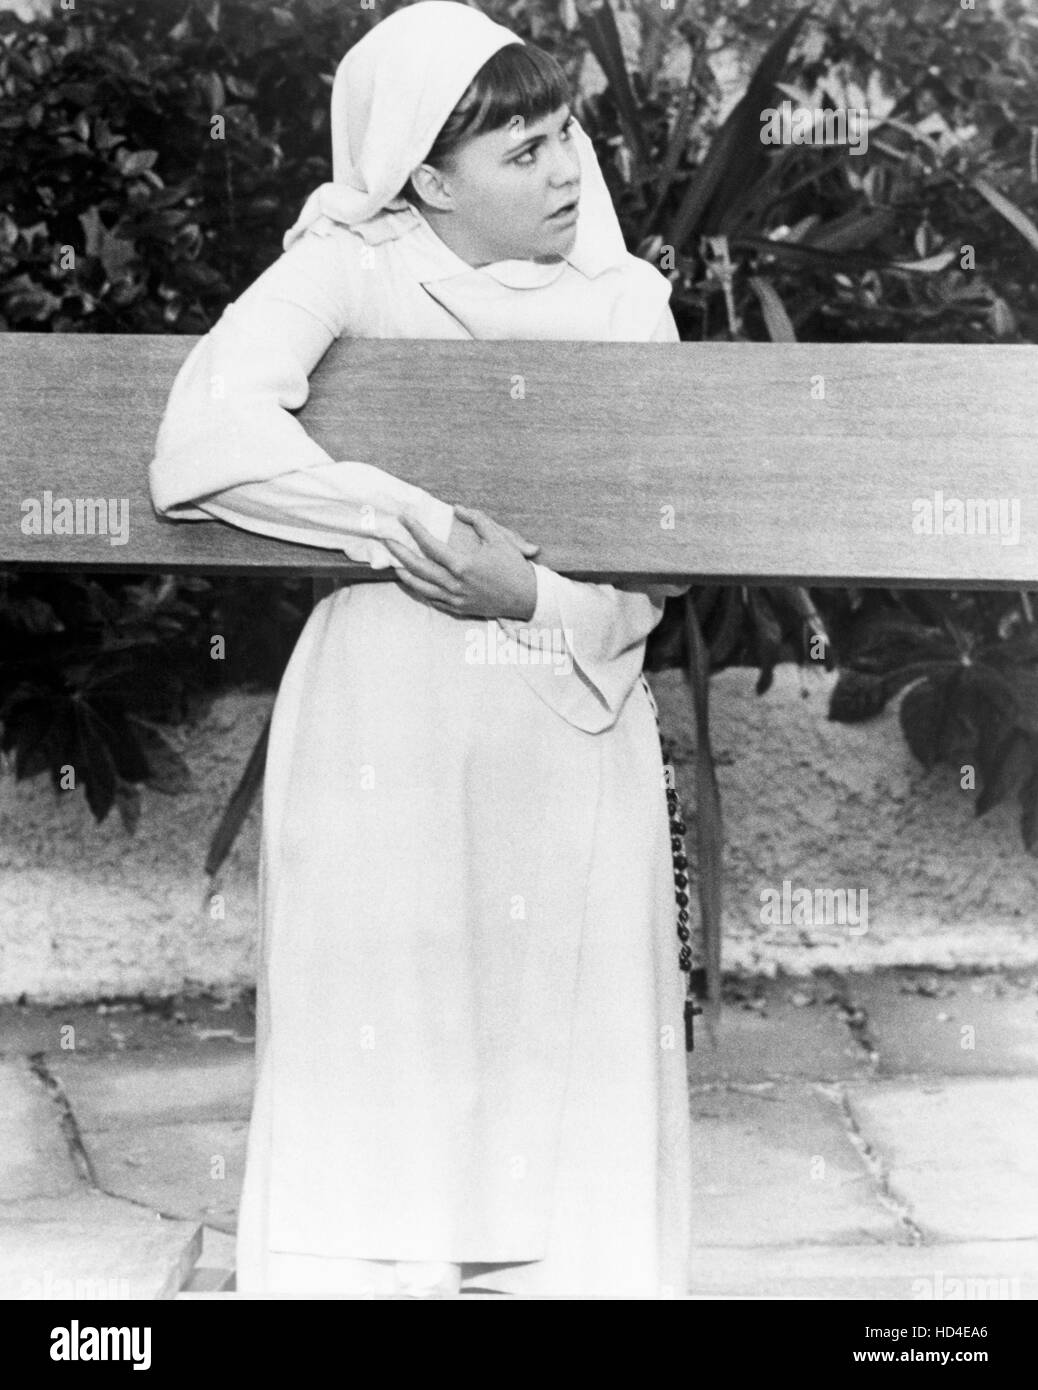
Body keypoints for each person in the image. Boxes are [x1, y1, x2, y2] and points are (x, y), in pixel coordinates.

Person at [150, 0, 692, 1299]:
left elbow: (647, 571)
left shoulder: (626, 305)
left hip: (562, 710)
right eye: (523, 152)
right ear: (427, 177)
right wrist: (411, 524)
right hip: (381, 717)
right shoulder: (353, 264)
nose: (567, 172)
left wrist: (526, 596)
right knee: (383, 1030)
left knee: (551, 1026)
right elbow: (202, 442)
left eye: (566, 135)